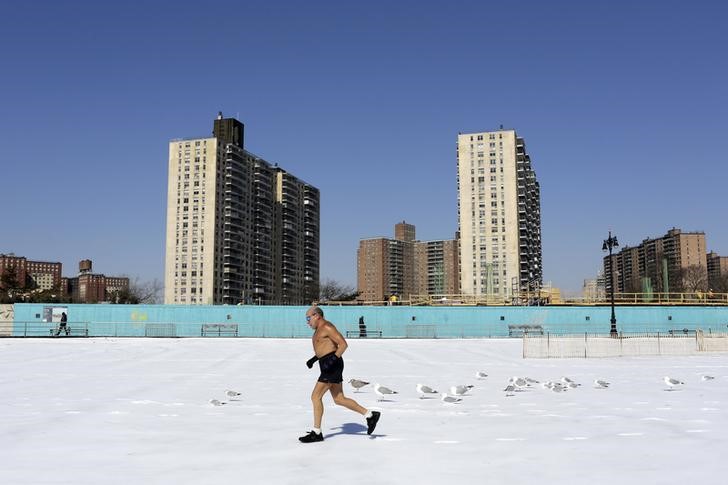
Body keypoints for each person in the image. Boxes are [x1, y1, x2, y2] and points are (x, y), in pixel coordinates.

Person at [299, 306, 380, 443]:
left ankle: (316, 432)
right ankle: (370, 415)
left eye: (308, 318)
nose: (307, 322)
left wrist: (332, 360)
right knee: (339, 399)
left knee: (315, 397)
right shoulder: (319, 329)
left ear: (317, 315)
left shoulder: (327, 327)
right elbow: (324, 348)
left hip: (332, 366)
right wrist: (314, 360)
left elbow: (343, 344)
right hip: (327, 364)